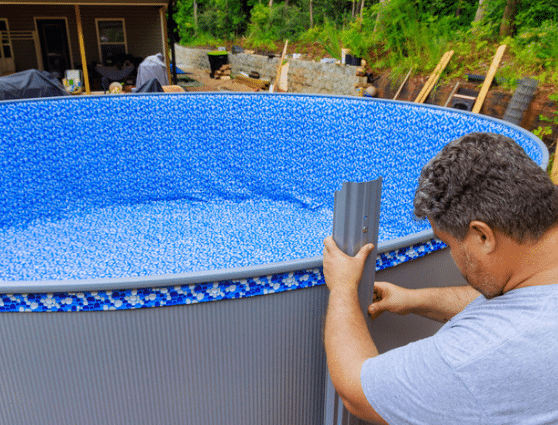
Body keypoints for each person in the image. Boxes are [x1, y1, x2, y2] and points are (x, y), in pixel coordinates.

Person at [323, 132, 558, 424]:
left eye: (448, 244)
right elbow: (522, 307)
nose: (453, 257)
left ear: (482, 236)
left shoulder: (477, 358)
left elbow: (356, 390)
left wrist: (343, 287)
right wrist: (415, 300)